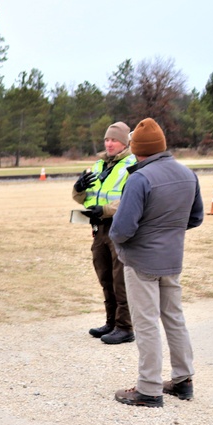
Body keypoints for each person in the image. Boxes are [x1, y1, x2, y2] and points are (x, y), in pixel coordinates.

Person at [109, 118, 204, 407]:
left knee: (146, 322)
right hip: (172, 259)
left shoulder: (140, 178)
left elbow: (122, 228)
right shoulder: (188, 174)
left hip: (141, 261)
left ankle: (149, 388)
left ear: (136, 148)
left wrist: (120, 242)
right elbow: (196, 218)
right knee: (174, 318)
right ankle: (183, 379)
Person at [72, 122, 137, 344]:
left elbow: (133, 200)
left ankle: (125, 327)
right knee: (105, 277)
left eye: (114, 140)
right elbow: (86, 196)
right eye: (107, 140)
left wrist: (106, 210)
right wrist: (78, 188)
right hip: (98, 229)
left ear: (125, 142)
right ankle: (111, 322)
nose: (109, 144)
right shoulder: (99, 165)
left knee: (120, 279)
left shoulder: (132, 164)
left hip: (118, 227)